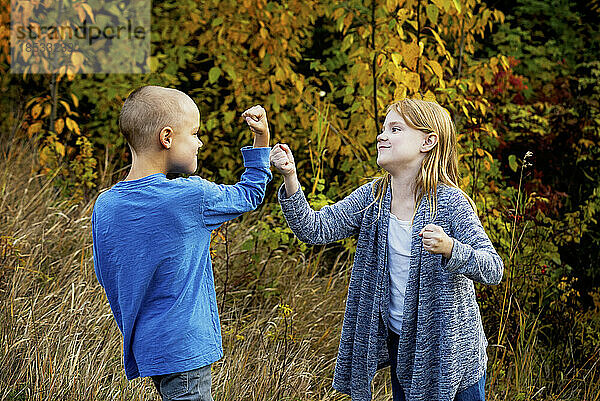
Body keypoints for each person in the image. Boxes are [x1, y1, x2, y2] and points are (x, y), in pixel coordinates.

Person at [270, 99, 503, 401]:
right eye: (382, 129)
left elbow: (493, 268)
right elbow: (314, 229)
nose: (382, 136)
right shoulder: (373, 198)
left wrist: (451, 249)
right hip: (402, 345)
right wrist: (290, 177)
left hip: (452, 353)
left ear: (428, 141)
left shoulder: (451, 203)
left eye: (395, 129)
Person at [91, 85, 272, 401]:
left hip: (149, 349)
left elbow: (111, 279)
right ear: (167, 138)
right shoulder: (190, 197)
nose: (200, 142)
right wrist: (262, 141)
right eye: (194, 133)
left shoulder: (105, 206)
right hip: (185, 348)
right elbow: (250, 193)